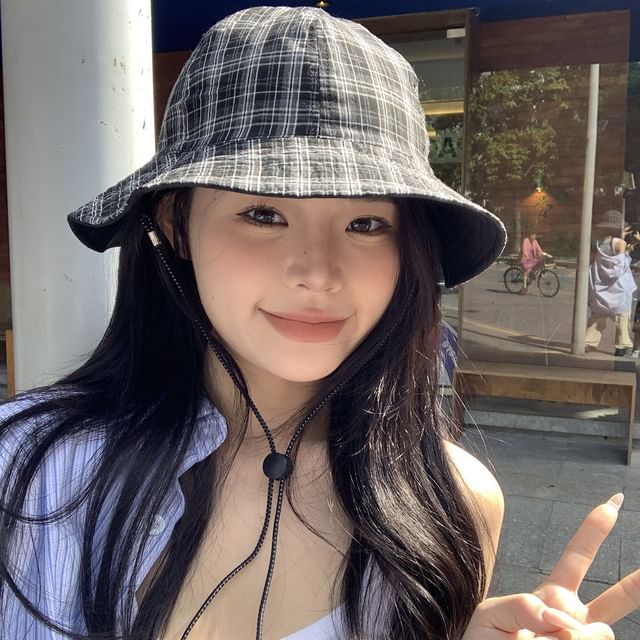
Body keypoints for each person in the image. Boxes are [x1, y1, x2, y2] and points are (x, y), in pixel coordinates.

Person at [0, 7, 637, 640]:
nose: (318, 273)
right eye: (263, 214)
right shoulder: (28, 471)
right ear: (176, 224)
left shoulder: (455, 502)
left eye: (366, 223)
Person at [587, 210, 637, 356]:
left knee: (597, 319)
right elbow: (619, 266)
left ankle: (588, 343)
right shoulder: (620, 243)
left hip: (601, 288)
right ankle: (622, 345)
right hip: (618, 289)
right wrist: (627, 247)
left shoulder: (599, 243)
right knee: (622, 318)